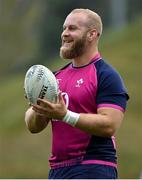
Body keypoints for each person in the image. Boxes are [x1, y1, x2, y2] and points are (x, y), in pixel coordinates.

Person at [25, 8, 129, 179]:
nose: (64, 34)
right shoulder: (54, 79)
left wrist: (65, 115)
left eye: (72, 28)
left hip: (93, 167)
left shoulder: (106, 75)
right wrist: (37, 107)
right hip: (57, 170)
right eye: (64, 28)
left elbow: (109, 124)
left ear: (91, 34)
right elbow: (32, 126)